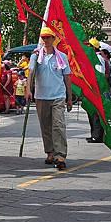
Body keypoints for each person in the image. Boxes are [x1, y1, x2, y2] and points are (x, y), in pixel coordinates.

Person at [25, 27, 73, 171]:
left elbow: (67, 77)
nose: (46, 40)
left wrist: (69, 97)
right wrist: (28, 89)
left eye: (48, 37)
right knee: (45, 126)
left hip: (58, 95)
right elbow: (31, 72)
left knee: (58, 125)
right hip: (41, 96)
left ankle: (60, 156)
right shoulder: (36, 56)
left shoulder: (62, 56)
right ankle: (50, 152)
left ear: (53, 39)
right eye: (43, 38)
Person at [86, 38, 108, 143]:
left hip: (96, 90)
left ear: (94, 47)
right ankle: (94, 134)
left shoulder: (98, 58)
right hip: (92, 89)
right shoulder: (93, 57)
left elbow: (99, 75)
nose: (87, 47)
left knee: (95, 113)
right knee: (92, 112)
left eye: (89, 46)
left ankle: (97, 136)